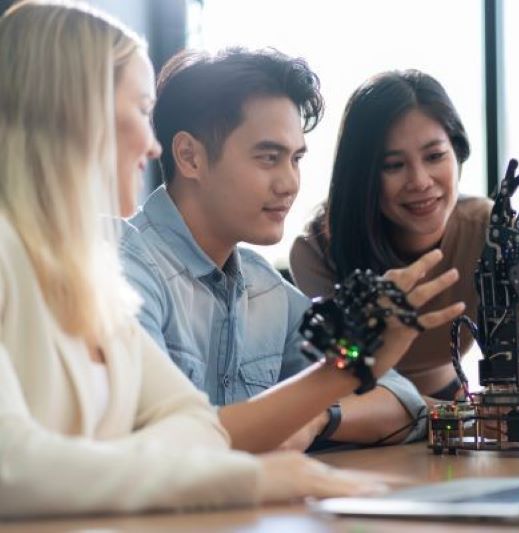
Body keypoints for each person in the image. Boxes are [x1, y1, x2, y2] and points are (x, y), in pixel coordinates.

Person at [0, 1, 459, 517]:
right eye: (138, 111)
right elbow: (14, 467)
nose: (151, 147)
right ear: (70, 114)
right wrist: (249, 474)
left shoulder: (88, 271)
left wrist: (349, 367)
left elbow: (195, 426)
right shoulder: (87, 259)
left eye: (295, 158)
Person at [119, 48, 461, 453]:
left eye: (296, 159)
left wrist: (320, 416)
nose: (289, 183)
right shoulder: (122, 267)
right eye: (268, 158)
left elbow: (401, 400)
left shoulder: (263, 288)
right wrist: (345, 369)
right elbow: (164, 441)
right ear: (190, 157)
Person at [290, 70, 519, 407]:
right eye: (394, 165)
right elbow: (337, 377)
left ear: (458, 152)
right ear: (362, 175)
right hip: (359, 409)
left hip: (453, 402)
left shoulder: (490, 231)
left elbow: (515, 361)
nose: (420, 181)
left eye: (435, 156)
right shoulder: (317, 249)